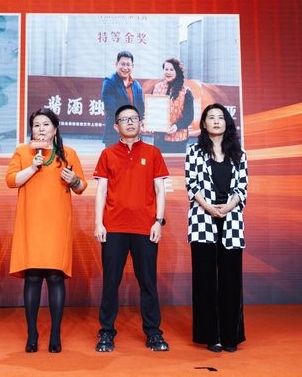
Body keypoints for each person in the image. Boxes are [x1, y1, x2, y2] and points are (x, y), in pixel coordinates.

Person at [6, 108, 87, 353]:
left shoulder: (68, 153)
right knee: (32, 277)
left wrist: (73, 180)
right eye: (36, 125)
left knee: (55, 277)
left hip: (57, 223)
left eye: (46, 124)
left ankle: (55, 333)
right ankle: (32, 334)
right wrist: (32, 167)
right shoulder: (23, 152)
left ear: (55, 128)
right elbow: (11, 181)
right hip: (30, 221)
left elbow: (81, 187)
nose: (41, 129)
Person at [93, 104, 170, 353]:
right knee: (110, 283)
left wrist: (158, 221)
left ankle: (154, 333)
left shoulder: (153, 152)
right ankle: (106, 332)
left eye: (134, 118)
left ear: (140, 123)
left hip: (145, 227)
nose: (129, 122)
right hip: (114, 227)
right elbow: (101, 191)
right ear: (116, 126)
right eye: (124, 119)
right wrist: (99, 223)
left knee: (148, 282)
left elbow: (160, 190)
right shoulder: (108, 154)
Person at [185, 103, 248, 353]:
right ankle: (211, 336)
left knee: (231, 279)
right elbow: (191, 184)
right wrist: (209, 208)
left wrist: (229, 206)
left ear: (227, 123)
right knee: (205, 279)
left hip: (231, 220)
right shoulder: (194, 151)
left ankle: (231, 336)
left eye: (220, 117)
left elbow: (242, 186)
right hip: (203, 220)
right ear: (203, 124)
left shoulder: (239, 153)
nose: (216, 121)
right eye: (210, 117)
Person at [101, 51, 144, 147]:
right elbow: (111, 109)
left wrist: (142, 122)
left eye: (128, 64)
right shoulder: (109, 81)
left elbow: (141, 109)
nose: (125, 68)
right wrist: (132, 124)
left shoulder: (136, 85)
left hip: (134, 136)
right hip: (115, 136)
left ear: (132, 66)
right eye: (122, 64)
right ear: (116, 64)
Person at [151, 58, 194, 154]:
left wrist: (177, 126)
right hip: (159, 138)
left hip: (177, 140)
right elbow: (151, 110)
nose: (168, 72)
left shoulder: (185, 92)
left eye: (171, 70)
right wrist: (150, 124)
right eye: (166, 69)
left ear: (177, 72)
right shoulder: (156, 87)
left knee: (174, 163)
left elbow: (189, 116)